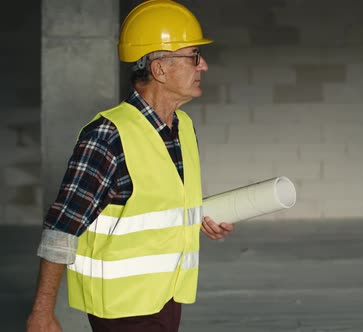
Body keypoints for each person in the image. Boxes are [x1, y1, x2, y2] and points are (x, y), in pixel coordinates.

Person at [26, 1, 233, 331]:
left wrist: (200, 221)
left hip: (168, 297)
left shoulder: (183, 127)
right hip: (123, 309)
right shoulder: (108, 135)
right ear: (160, 69)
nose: (203, 65)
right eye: (194, 55)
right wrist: (42, 312)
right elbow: (62, 226)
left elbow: (155, 208)